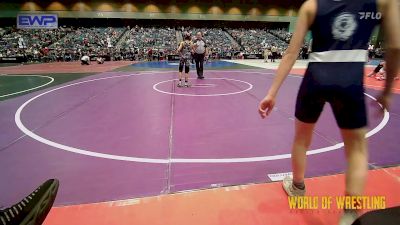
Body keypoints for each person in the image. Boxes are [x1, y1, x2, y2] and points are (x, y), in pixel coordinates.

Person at [258, 0, 400, 225]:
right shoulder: (383, 3)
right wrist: (387, 91)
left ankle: (297, 186)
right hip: (350, 80)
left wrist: (272, 93)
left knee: (302, 139)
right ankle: (349, 214)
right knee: (357, 150)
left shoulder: (311, 6)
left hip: (315, 79)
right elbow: (395, 48)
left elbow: (291, 52)